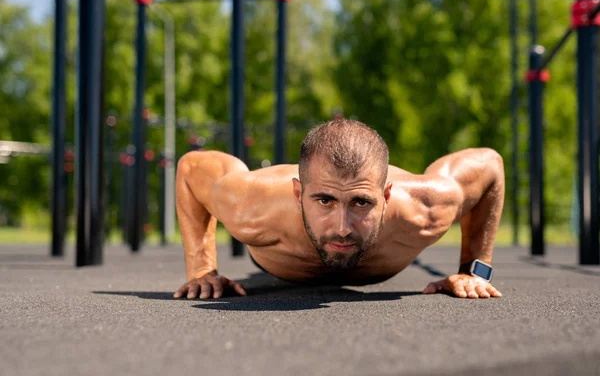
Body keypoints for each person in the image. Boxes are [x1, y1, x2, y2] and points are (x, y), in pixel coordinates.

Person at [173, 119, 504, 300]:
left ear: (387, 195)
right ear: (297, 193)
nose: (343, 226)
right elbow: (191, 168)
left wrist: (474, 271)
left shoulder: (425, 209)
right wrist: (202, 271)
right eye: (324, 201)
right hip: (273, 255)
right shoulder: (250, 206)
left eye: (361, 203)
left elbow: (490, 165)